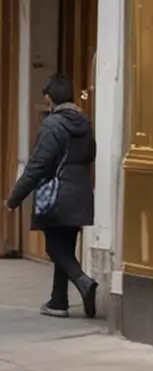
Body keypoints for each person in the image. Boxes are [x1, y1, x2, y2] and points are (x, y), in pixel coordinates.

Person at [5, 75, 98, 319]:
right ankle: (59, 302)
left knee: (56, 249)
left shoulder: (52, 125)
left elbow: (37, 165)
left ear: (50, 97)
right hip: (80, 193)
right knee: (65, 247)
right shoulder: (84, 122)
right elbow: (91, 153)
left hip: (57, 196)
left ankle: (83, 281)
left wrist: (14, 198)